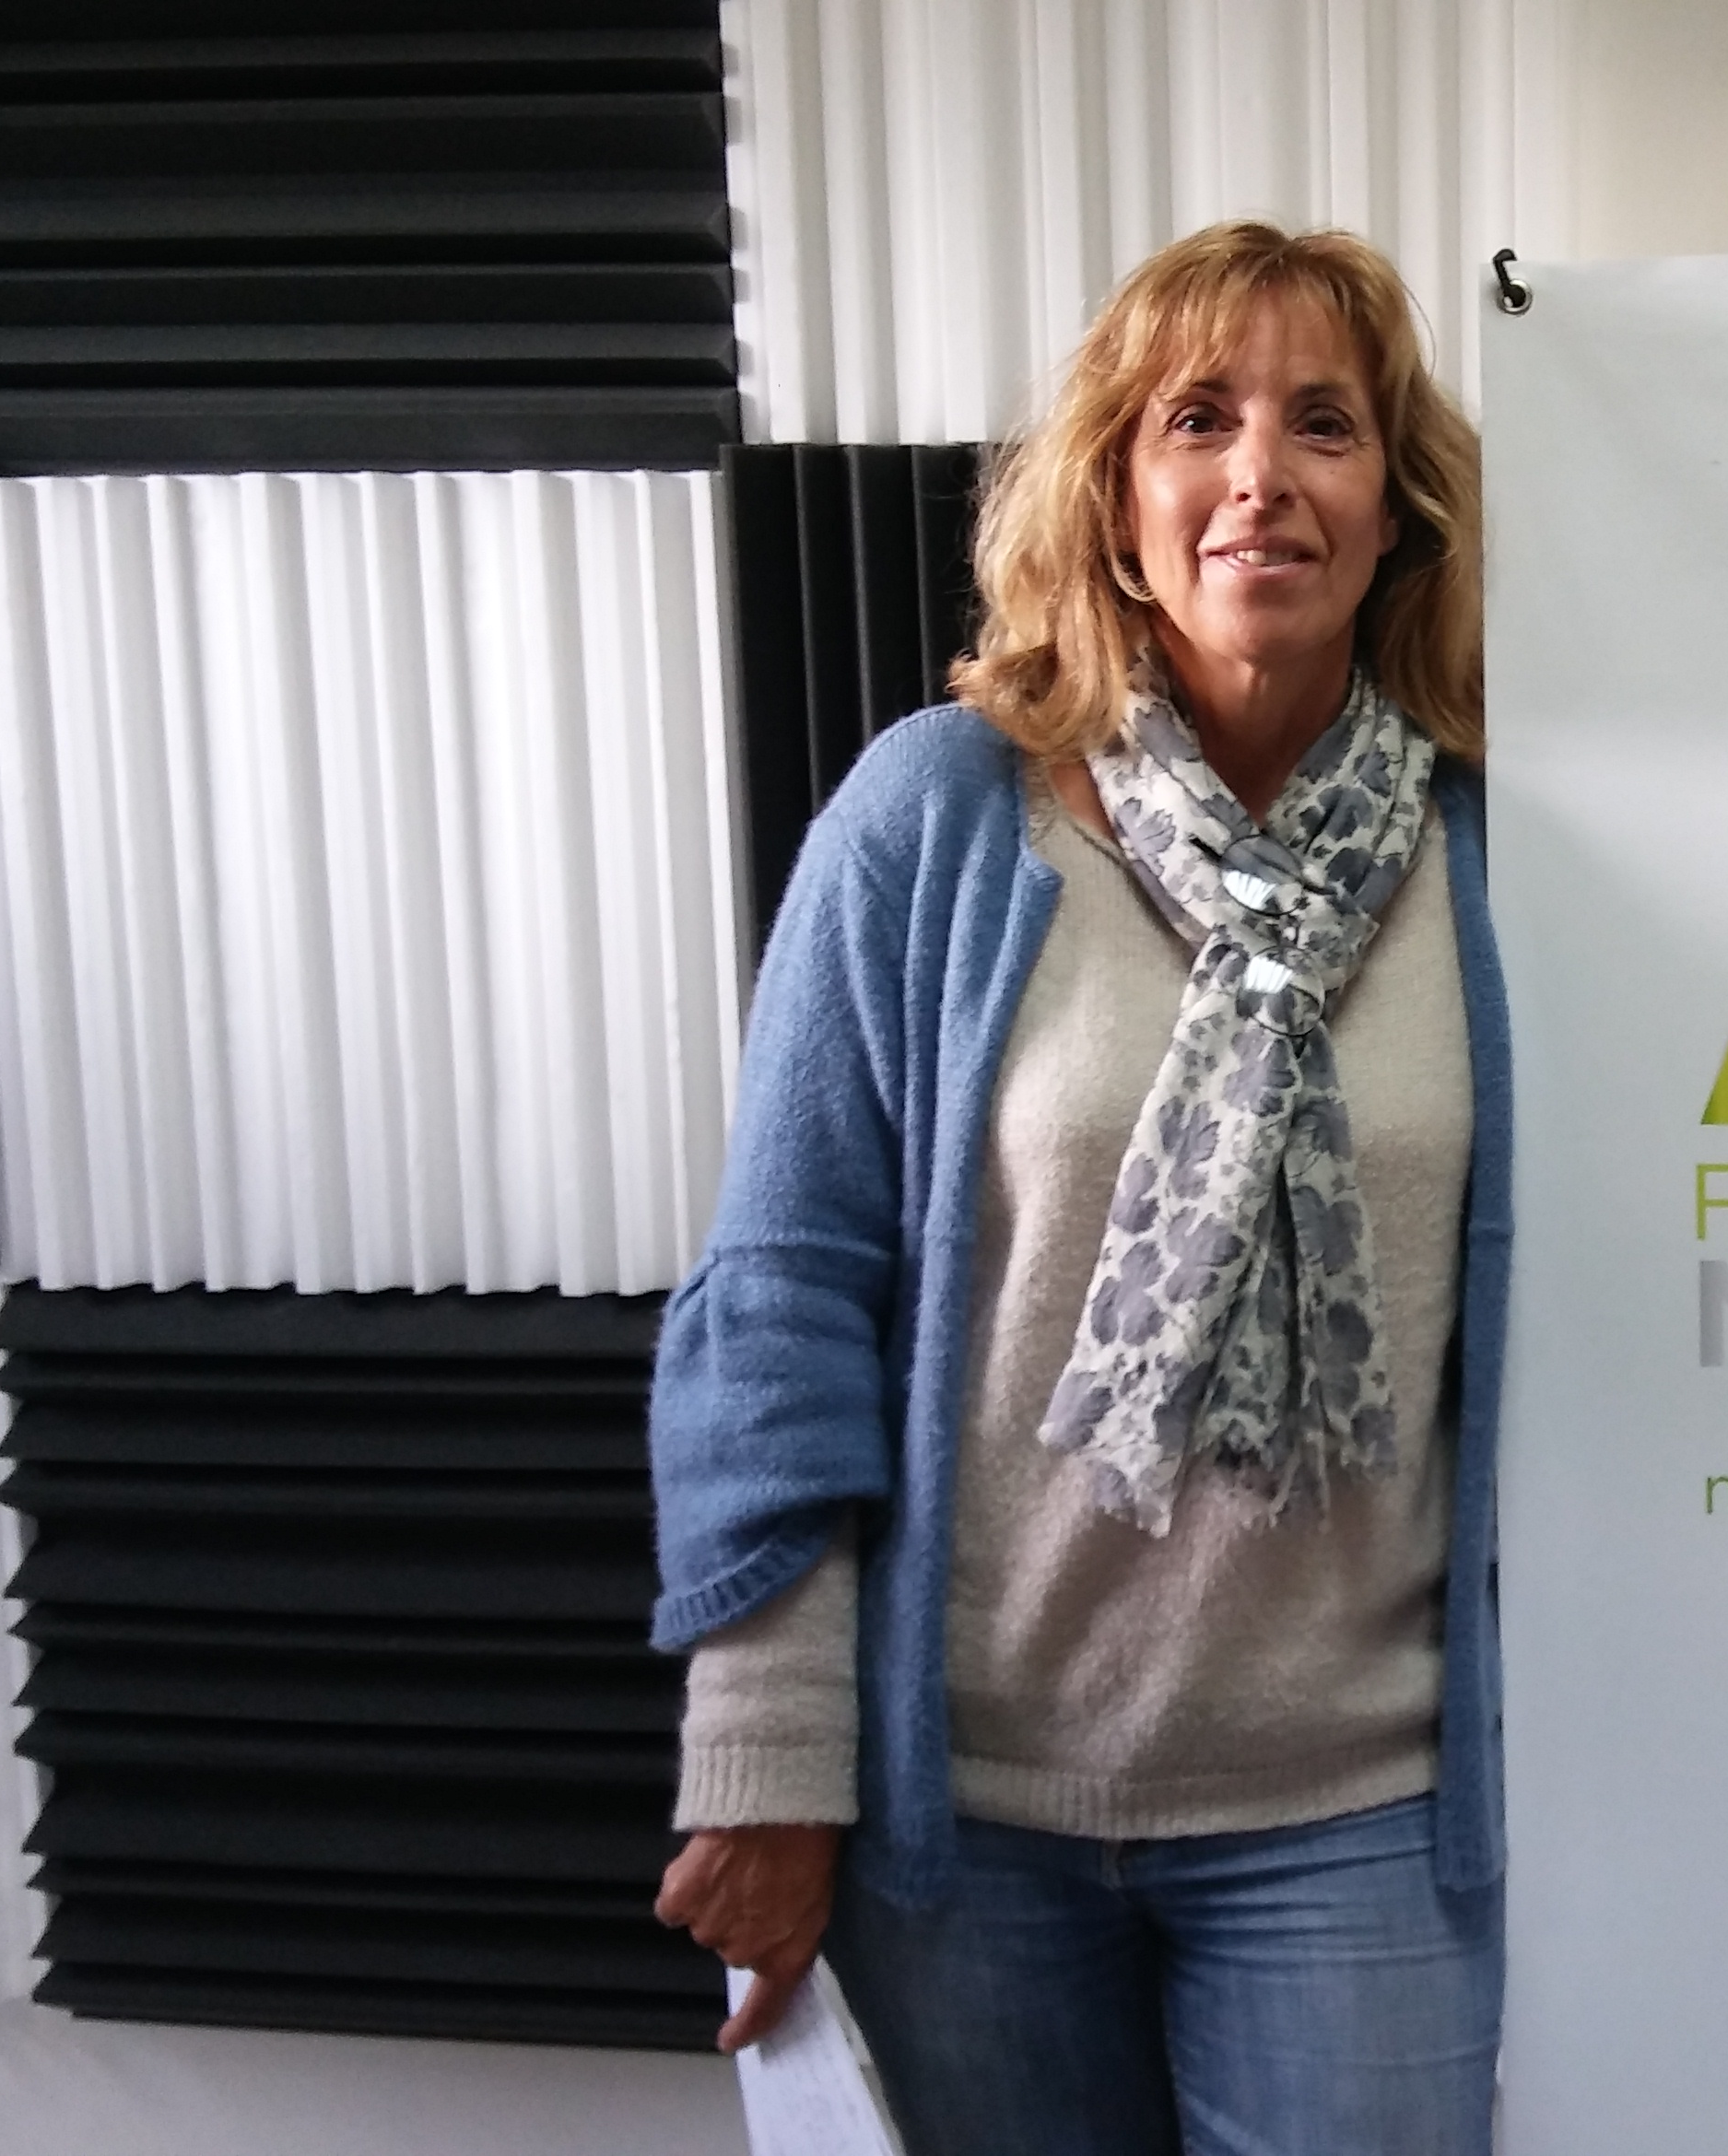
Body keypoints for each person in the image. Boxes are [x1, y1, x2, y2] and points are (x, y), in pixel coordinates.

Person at [643, 220, 1509, 2156]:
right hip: (968, 1826)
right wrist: (765, 1754)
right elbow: (784, 1292)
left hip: (1362, 1814)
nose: (1260, 474)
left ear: (1397, 509)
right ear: (1118, 503)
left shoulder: (1497, 853)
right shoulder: (937, 816)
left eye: (1324, 424)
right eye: (1197, 421)